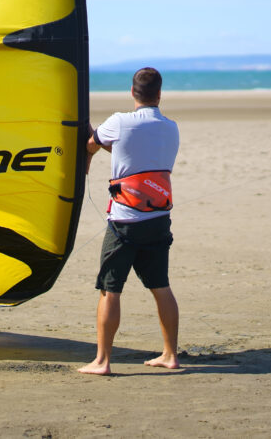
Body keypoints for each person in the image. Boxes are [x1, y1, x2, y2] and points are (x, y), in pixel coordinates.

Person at [78, 67, 181, 375]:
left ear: (132, 93)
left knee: (111, 289)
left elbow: (90, 145)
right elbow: (138, 153)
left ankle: (102, 361)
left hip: (124, 220)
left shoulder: (119, 122)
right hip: (159, 218)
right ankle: (170, 355)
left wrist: (90, 151)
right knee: (160, 286)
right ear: (159, 94)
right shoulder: (171, 127)